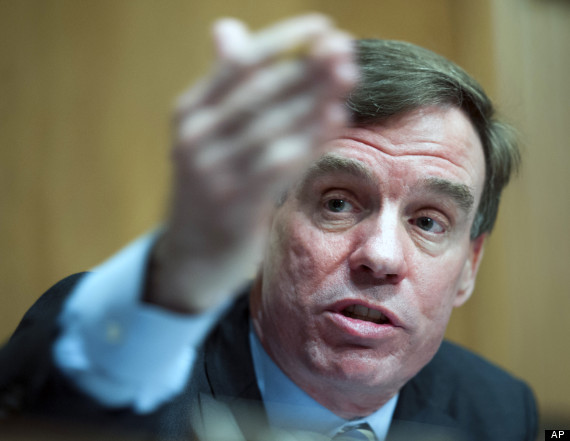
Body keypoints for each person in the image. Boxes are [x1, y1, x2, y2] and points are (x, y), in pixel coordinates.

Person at [0, 14, 537, 441]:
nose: (381, 256)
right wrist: (172, 286)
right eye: (338, 203)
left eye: (428, 222)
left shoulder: (500, 412)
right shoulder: (135, 348)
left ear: (470, 265)